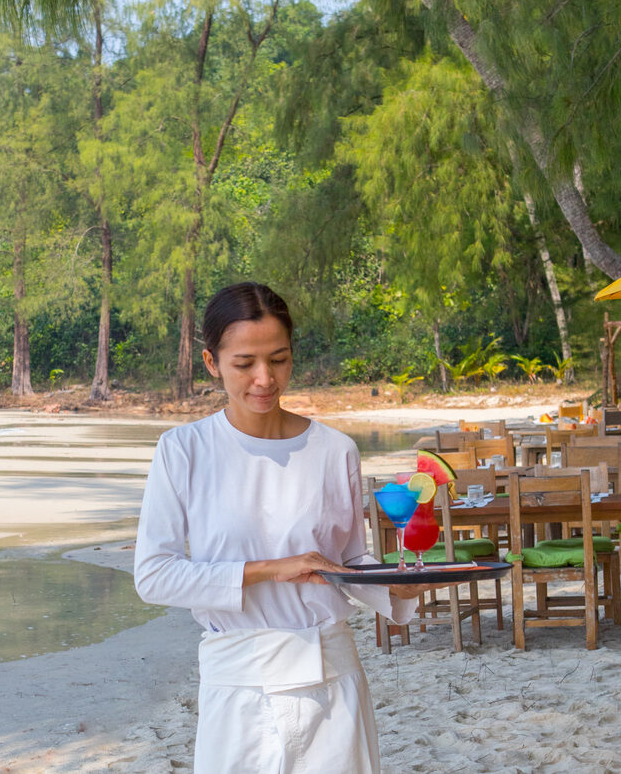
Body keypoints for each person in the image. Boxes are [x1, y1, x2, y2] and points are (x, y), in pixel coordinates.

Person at [134, 282, 423, 773]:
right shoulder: (184, 450)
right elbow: (154, 575)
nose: (265, 378)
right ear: (212, 363)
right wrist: (270, 569)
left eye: (279, 359)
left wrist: (404, 582)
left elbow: (349, 561)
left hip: (331, 678)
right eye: (244, 363)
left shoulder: (335, 450)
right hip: (236, 684)